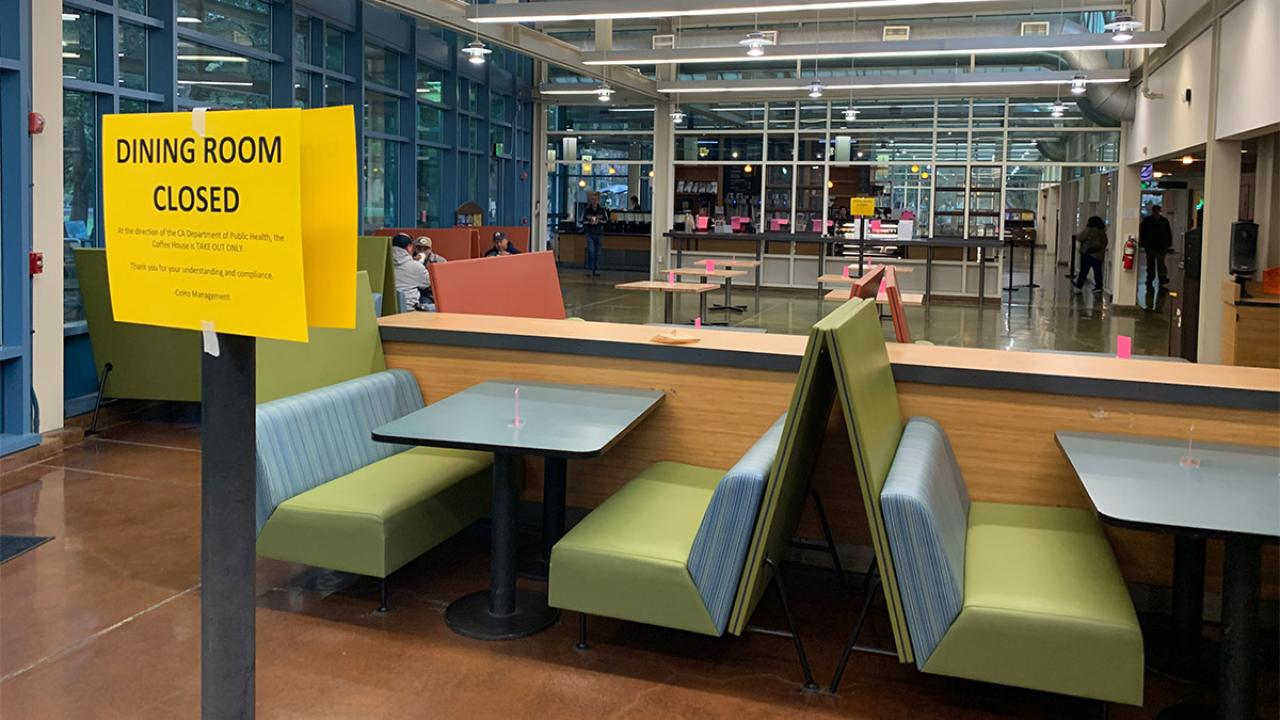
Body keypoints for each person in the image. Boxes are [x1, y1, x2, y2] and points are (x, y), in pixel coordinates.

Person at [390, 233, 430, 311]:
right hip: (409, 309)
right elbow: (428, 283)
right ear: (409, 247)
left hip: (387, 309)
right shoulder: (416, 266)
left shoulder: (384, 263)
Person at [1139, 204, 1173, 288]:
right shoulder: (1163, 221)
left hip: (1157, 246)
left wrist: (1168, 243)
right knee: (1154, 263)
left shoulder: (1149, 221)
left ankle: (1157, 279)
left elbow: (1168, 233)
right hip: (1153, 246)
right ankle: (1154, 279)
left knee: (1157, 263)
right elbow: (1143, 232)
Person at [1074, 216, 1108, 294]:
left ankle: (1079, 285)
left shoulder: (1089, 229)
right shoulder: (1102, 231)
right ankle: (1098, 287)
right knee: (1097, 271)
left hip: (1088, 254)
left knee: (1084, 271)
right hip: (1098, 255)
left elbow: (1080, 237)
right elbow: (1105, 242)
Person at [582, 193, 608, 277]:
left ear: (598, 201)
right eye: (592, 200)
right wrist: (590, 222)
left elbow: (606, 221)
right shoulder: (586, 210)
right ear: (590, 201)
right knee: (591, 251)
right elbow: (583, 221)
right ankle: (590, 270)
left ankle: (596, 270)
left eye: (595, 200)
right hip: (590, 233)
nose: (594, 202)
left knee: (597, 253)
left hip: (599, 233)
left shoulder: (602, 210)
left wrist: (599, 221)